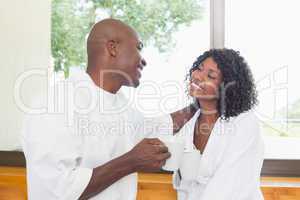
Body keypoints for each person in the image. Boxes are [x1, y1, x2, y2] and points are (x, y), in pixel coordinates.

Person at [21, 19, 198, 200]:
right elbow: (58, 189)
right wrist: (130, 162)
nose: (144, 60)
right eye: (138, 48)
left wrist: (200, 105)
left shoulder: (121, 107)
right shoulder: (56, 104)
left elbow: (159, 127)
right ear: (112, 48)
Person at [173, 49, 264, 199]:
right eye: (199, 68)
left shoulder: (245, 123)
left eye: (210, 76)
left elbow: (228, 187)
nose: (197, 77)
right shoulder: (188, 123)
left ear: (226, 87)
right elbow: (184, 184)